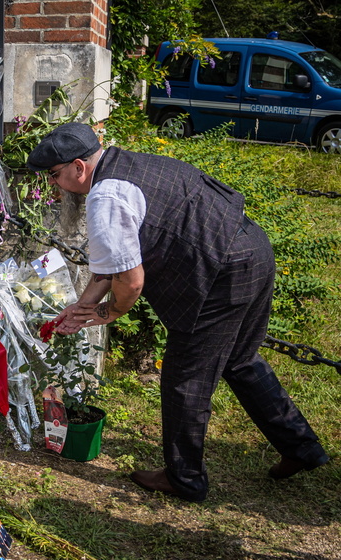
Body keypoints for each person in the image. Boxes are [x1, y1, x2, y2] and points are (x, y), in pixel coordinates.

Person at [27, 122, 329, 502]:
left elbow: (130, 282)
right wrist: (85, 305)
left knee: (185, 378)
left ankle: (185, 479)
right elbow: (112, 261)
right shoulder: (130, 164)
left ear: (78, 166)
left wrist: (108, 313)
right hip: (252, 249)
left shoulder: (105, 197)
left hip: (222, 272)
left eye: (54, 176)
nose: (54, 185)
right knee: (240, 360)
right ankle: (301, 447)